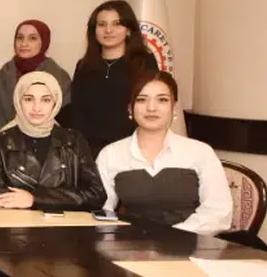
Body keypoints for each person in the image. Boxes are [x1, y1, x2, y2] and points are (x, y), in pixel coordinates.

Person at [96, 71, 232, 235]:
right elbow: (101, 211)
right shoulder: (111, 154)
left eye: (162, 100)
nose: (151, 108)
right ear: (130, 107)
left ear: (174, 107)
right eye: (142, 100)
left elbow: (218, 212)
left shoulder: (200, 152)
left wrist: (173, 236)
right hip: (132, 244)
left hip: (190, 242)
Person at [0, 71, 104, 212]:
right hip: (16, 222)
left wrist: (34, 198)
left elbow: (96, 194)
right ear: (18, 101)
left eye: (45, 100)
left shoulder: (74, 141)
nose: (36, 108)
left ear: (55, 103)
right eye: (28, 99)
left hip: (64, 224)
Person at [71, 0, 159, 156]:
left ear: (128, 30)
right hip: (90, 152)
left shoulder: (144, 63)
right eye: (102, 24)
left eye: (116, 24)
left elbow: (150, 108)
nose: (108, 30)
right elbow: (78, 112)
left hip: (133, 150)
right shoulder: (84, 66)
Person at [0, 19, 72, 130]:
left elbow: (64, 120)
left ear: (44, 42)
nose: (24, 44)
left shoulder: (59, 77)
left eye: (32, 38)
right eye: (20, 38)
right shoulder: (1, 77)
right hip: (4, 138)